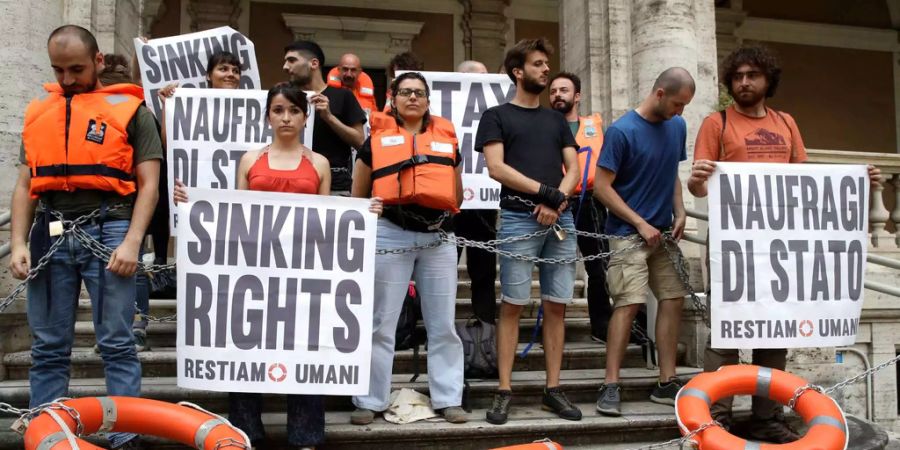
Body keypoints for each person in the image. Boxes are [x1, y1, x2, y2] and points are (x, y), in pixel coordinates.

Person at [687, 45, 882, 443]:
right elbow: (698, 188)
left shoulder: (786, 123)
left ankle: (766, 417)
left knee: (774, 325)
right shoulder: (716, 123)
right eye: (738, 76)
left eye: (752, 75)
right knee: (727, 325)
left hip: (779, 243)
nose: (744, 82)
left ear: (767, 81)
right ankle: (717, 417)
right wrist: (697, 177)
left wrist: (862, 183)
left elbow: (804, 183)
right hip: (732, 242)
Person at [174, 83, 381, 449]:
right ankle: (244, 432)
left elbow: (325, 222)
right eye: (278, 110)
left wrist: (363, 212)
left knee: (305, 351)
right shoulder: (250, 160)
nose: (286, 117)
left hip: (301, 277)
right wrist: (193, 202)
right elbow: (232, 215)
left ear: (305, 117)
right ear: (268, 116)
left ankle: (305, 436)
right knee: (245, 350)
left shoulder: (317, 163)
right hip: (252, 274)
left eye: (294, 111)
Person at [9, 25, 162, 450]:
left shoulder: (134, 112)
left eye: (76, 69)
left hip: (109, 226)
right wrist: (19, 242)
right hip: (50, 231)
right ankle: (48, 436)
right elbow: (25, 186)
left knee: (117, 342)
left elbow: (150, 184)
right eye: (58, 70)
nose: (67, 79)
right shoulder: (40, 111)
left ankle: (124, 436)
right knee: (49, 346)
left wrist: (133, 241)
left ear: (97, 61)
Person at [350, 71, 467, 426]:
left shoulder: (447, 137)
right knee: (380, 323)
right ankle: (369, 400)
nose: (413, 98)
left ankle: (449, 398)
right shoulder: (375, 140)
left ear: (428, 100)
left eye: (419, 93)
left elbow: (457, 192)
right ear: (393, 98)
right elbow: (359, 193)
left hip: (438, 237)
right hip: (390, 233)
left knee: (442, 323)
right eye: (405, 92)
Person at [475, 38, 581, 425]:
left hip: (560, 219)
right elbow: (496, 168)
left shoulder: (556, 119)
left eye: (546, 64)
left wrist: (556, 200)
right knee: (513, 305)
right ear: (518, 71)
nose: (545, 71)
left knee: (557, 305)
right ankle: (504, 390)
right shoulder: (496, 115)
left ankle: (553, 389)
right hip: (518, 218)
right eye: (537, 64)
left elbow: (575, 168)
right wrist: (544, 192)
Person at [593, 67, 695, 417]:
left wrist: (680, 211)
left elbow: (672, 175)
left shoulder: (677, 126)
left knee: (673, 298)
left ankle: (667, 381)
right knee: (628, 304)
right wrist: (639, 222)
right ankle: (610, 385)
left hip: (663, 235)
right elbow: (600, 187)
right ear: (660, 93)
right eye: (679, 104)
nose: (681, 112)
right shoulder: (622, 131)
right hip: (626, 236)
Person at [548, 71, 612, 343]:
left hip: (591, 202)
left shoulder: (595, 127)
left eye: (563, 90)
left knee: (598, 268)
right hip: (555, 202)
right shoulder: (544, 127)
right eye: (552, 91)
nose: (557, 95)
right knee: (552, 267)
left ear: (577, 96)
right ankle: (553, 331)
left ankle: (602, 327)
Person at [283, 40, 366, 195]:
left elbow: (360, 142)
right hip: (292, 180)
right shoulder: (285, 98)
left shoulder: (343, 96)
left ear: (314, 64)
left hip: (335, 185)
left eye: (292, 60)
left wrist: (329, 117)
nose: (285, 67)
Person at [452, 59, 498, 325]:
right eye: (481, 77)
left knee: (484, 272)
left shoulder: (494, 109)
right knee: (443, 271)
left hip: (483, 202)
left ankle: (486, 330)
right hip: (450, 202)